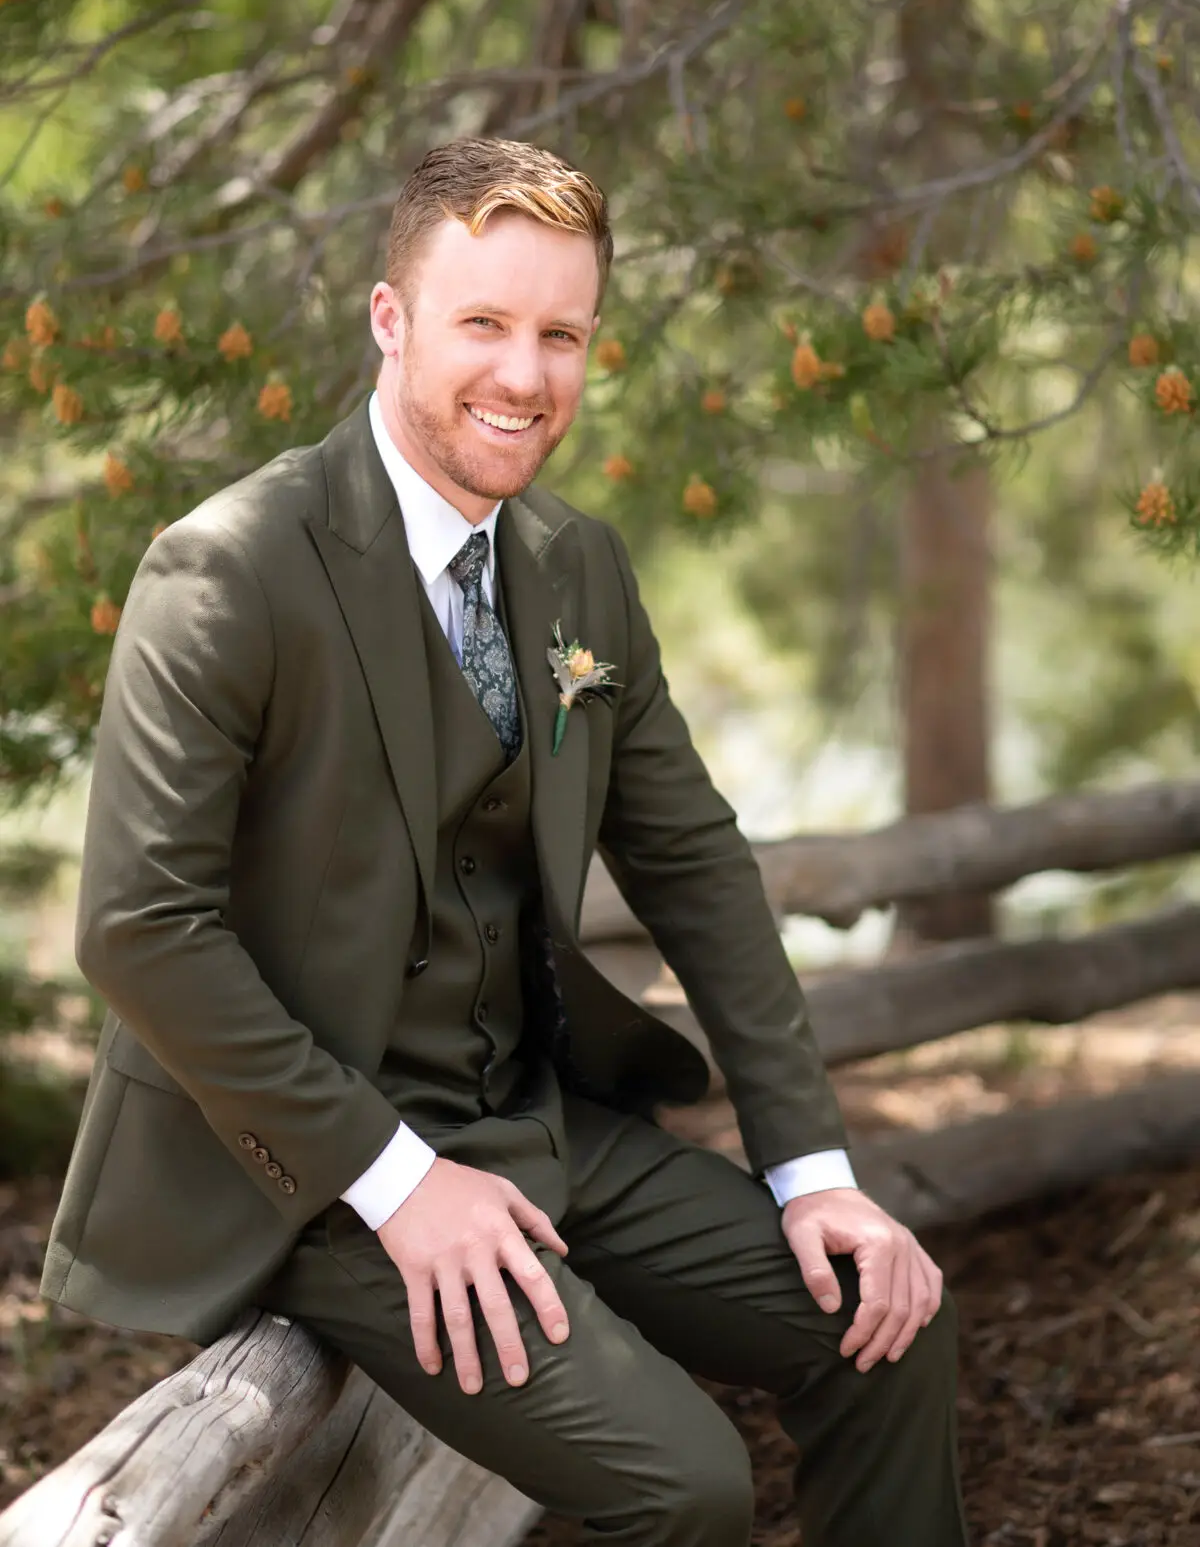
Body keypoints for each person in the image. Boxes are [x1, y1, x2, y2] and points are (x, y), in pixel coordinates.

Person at [40, 136, 969, 1546]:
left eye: (561, 334)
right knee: (689, 1483)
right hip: (309, 1172)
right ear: (391, 319)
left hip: (531, 1117)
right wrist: (403, 1183)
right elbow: (139, 928)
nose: (524, 376)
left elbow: (697, 863)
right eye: (483, 323)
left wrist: (815, 1173)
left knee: (886, 1329)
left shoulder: (574, 564)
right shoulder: (230, 566)